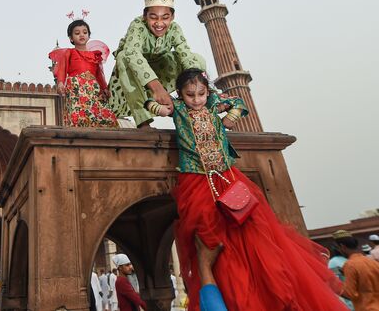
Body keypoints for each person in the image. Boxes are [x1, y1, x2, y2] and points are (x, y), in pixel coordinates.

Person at [147, 68, 349, 310]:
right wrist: (161, 107)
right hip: (197, 177)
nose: (196, 99)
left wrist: (230, 118)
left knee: (250, 228)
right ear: (180, 94)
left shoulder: (212, 104)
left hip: (226, 175)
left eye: (201, 93)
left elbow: (238, 102)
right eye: (190, 95)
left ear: (207, 91)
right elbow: (149, 103)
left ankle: (257, 283)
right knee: (209, 230)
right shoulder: (179, 109)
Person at [108, 0, 206, 128]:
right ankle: (143, 121)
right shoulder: (138, 26)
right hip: (129, 85)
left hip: (160, 74)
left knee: (197, 61)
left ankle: (191, 109)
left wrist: (200, 84)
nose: (159, 23)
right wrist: (157, 89)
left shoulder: (175, 29)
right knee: (124, 56)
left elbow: (185, 53)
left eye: (165, 18)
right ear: (145, 16)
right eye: (153, 17)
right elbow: (132, 53)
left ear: (172, 17)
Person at [49, 19, 118, 127]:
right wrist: (61, 83)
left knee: (103, 117)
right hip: (76, 88)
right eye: (77, 33)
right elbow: (62, 68)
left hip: (93, 88)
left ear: (89, 36)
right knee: (79, 116)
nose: (81, 35)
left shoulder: (95, 55)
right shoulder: (69, 53)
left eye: (85, 32)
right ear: (71, 38)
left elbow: (99, 74)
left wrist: (104, 88)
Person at [335, 234, 379, 310]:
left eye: (338, 248)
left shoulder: (350, 265)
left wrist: (334, 287)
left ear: (342, 247)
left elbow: (349, 293)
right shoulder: (373, 262)